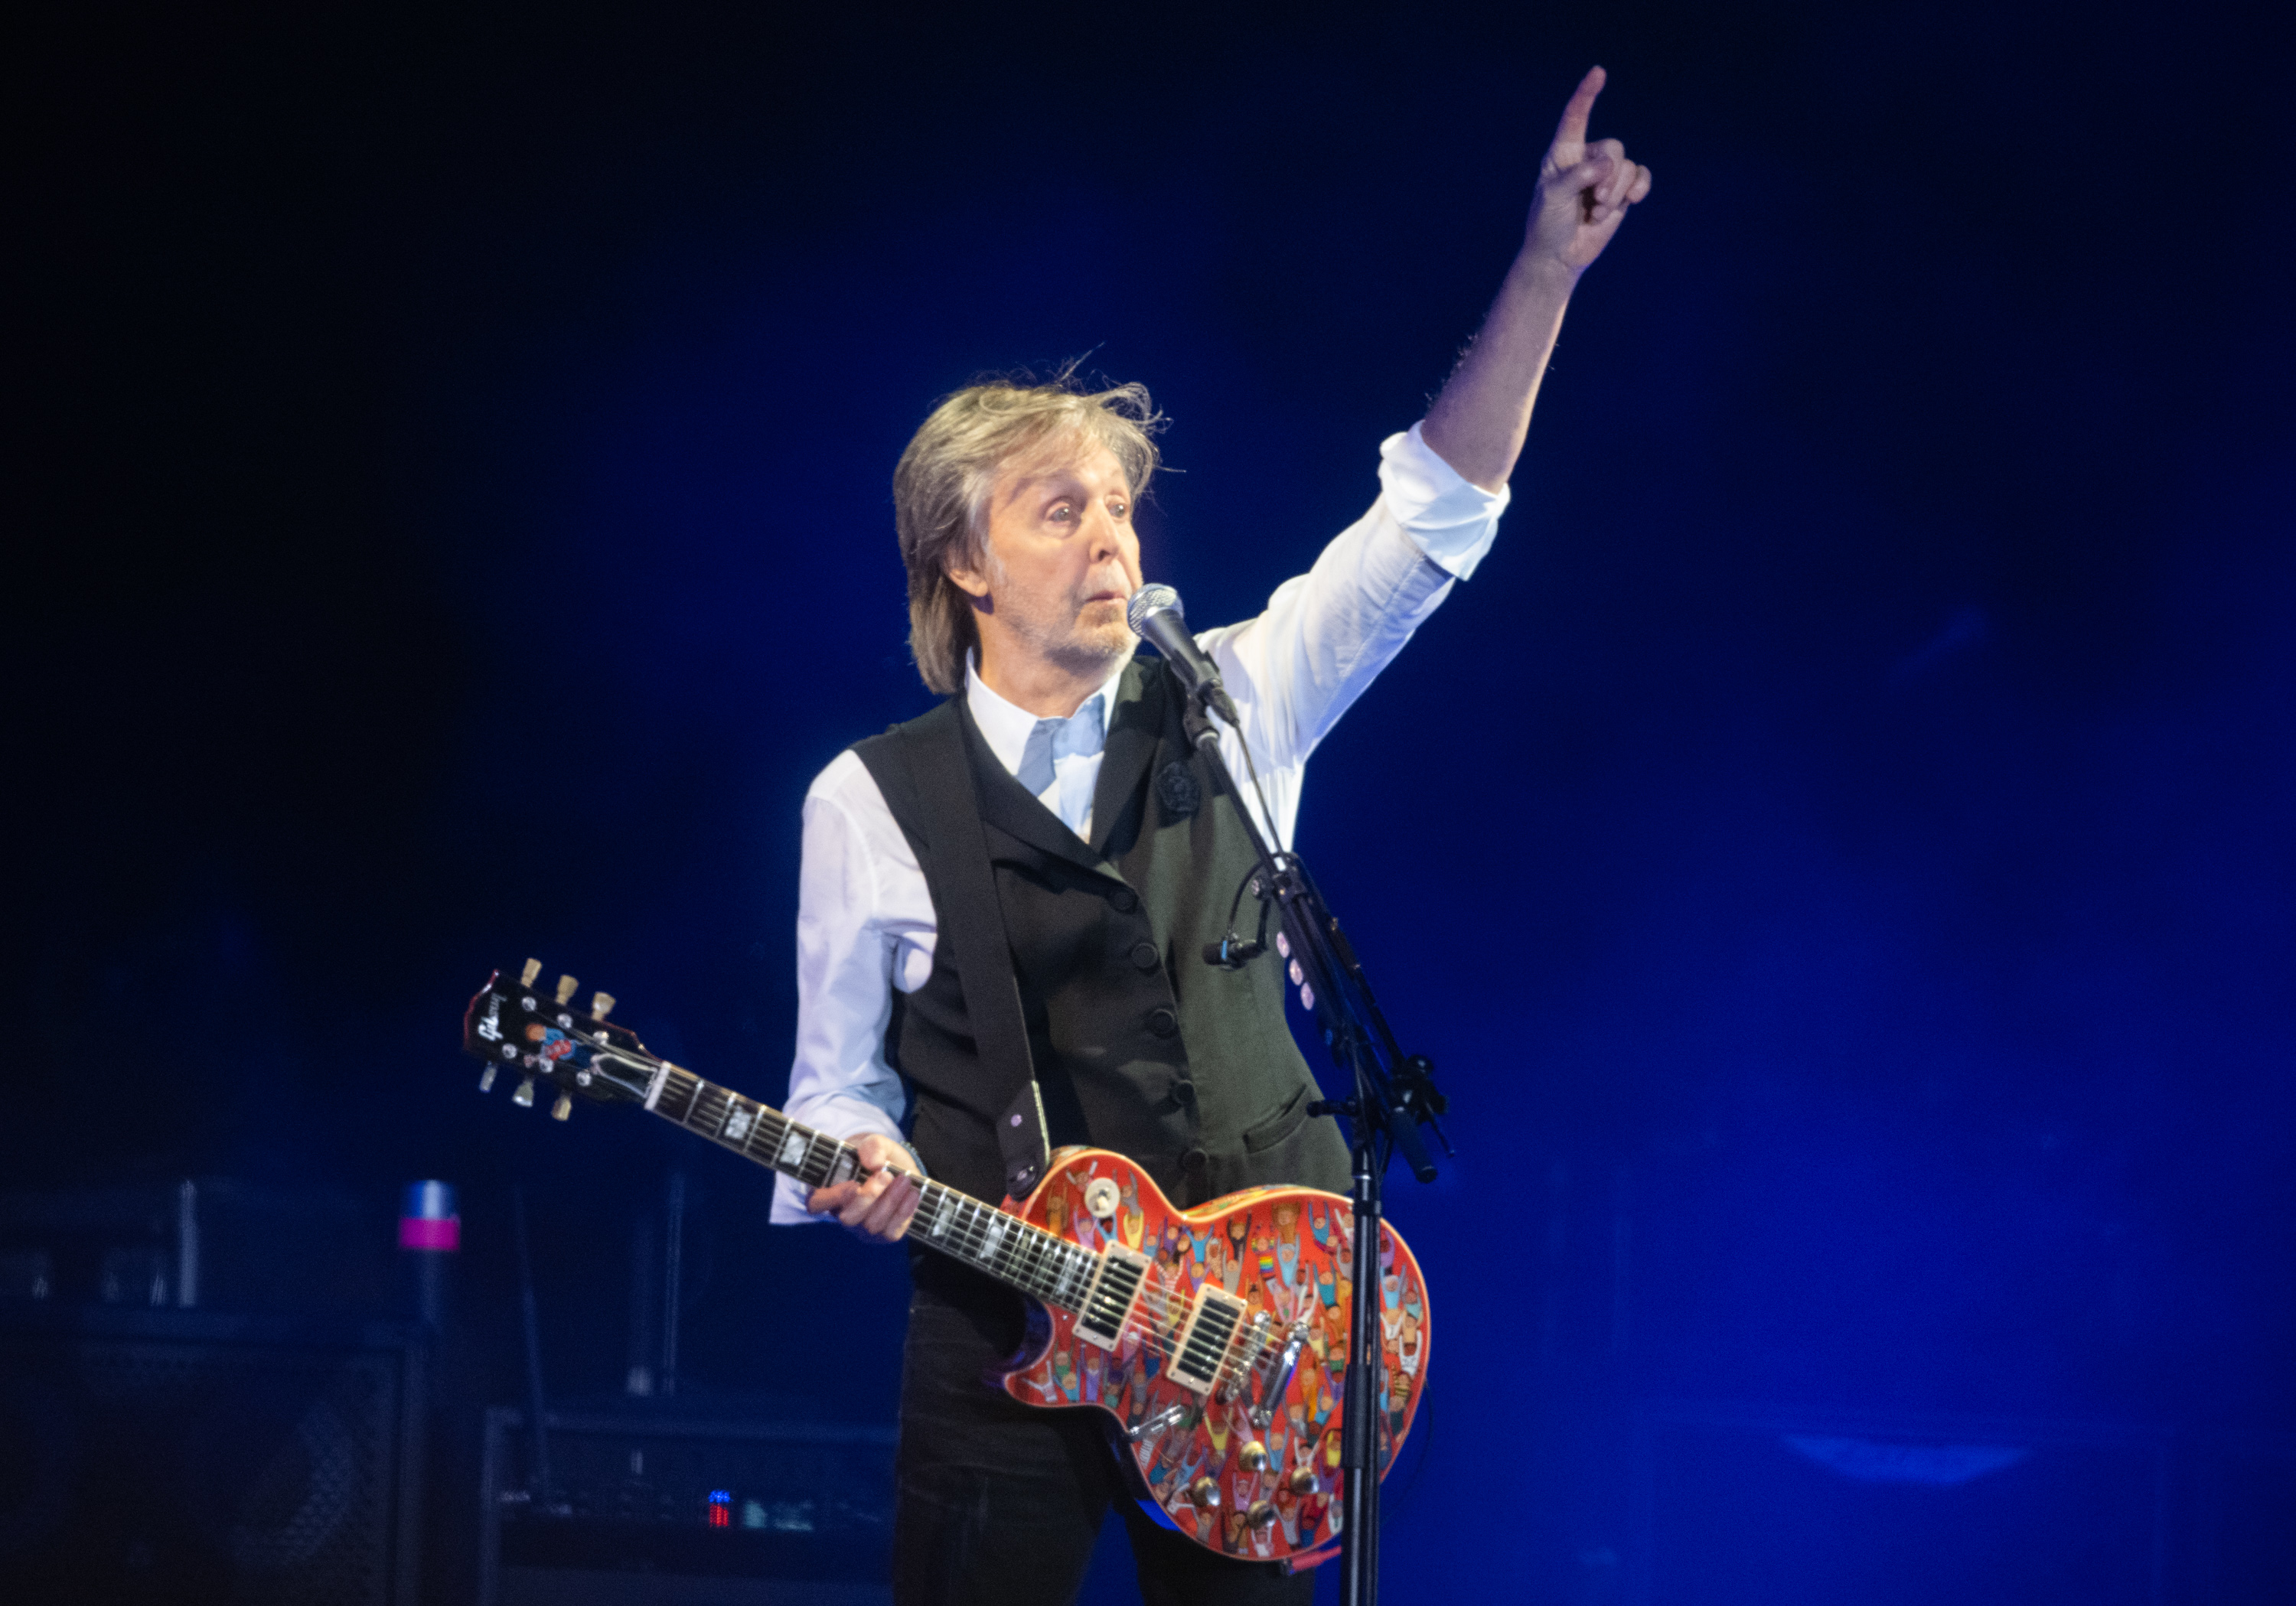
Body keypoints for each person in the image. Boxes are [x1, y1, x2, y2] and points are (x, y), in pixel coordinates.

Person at [771, 66, 1651, 1606]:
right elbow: (839, 1092)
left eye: (1122, 505)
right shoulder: (870, 802)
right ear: (964, 562)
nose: (1111, 535)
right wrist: (863, 1168)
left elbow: (1433, 516)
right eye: (1060, 510)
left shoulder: (1230, 697)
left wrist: (1542, 271)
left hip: (1254, 1344)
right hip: (1005, 1351)